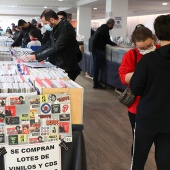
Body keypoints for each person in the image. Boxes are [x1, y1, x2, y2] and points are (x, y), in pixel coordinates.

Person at [129, 14, 170, 169]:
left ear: (156, 35)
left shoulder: (148, 60)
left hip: (147, 117)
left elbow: (135, 88)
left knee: (138, 158)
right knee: (166, 161)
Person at [119, 24, 160, 155]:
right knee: (139, 142)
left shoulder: (161, 50)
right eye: (141, 48)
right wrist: (143, 71)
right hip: (137, 107)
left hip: (160, 105)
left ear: (153, 38)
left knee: (162, 143)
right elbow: (124, 77)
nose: (146, 49)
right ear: (134, 44)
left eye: (149, 45)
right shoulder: (131, 55)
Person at [21, 9, 81, 81]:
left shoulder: (66, 28)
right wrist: (33, 54)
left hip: (67, 65)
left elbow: (56, 47)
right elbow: (48, 44)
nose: (44, 26)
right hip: (58, 62)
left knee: (64, 89)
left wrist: (35, 57)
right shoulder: (55, 27)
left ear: (52, 20)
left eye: (45, 23)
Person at [89, 19, 117, 89]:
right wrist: (115, 45)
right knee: (97, 67)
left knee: (96, 67)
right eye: (113, 25)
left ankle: (96, 82)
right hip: (99, 50)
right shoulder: (105, 30)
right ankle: (96, 84)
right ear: (111, 24)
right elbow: (108, 40)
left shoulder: (100, 28)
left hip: (94, 50)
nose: (112, 26)